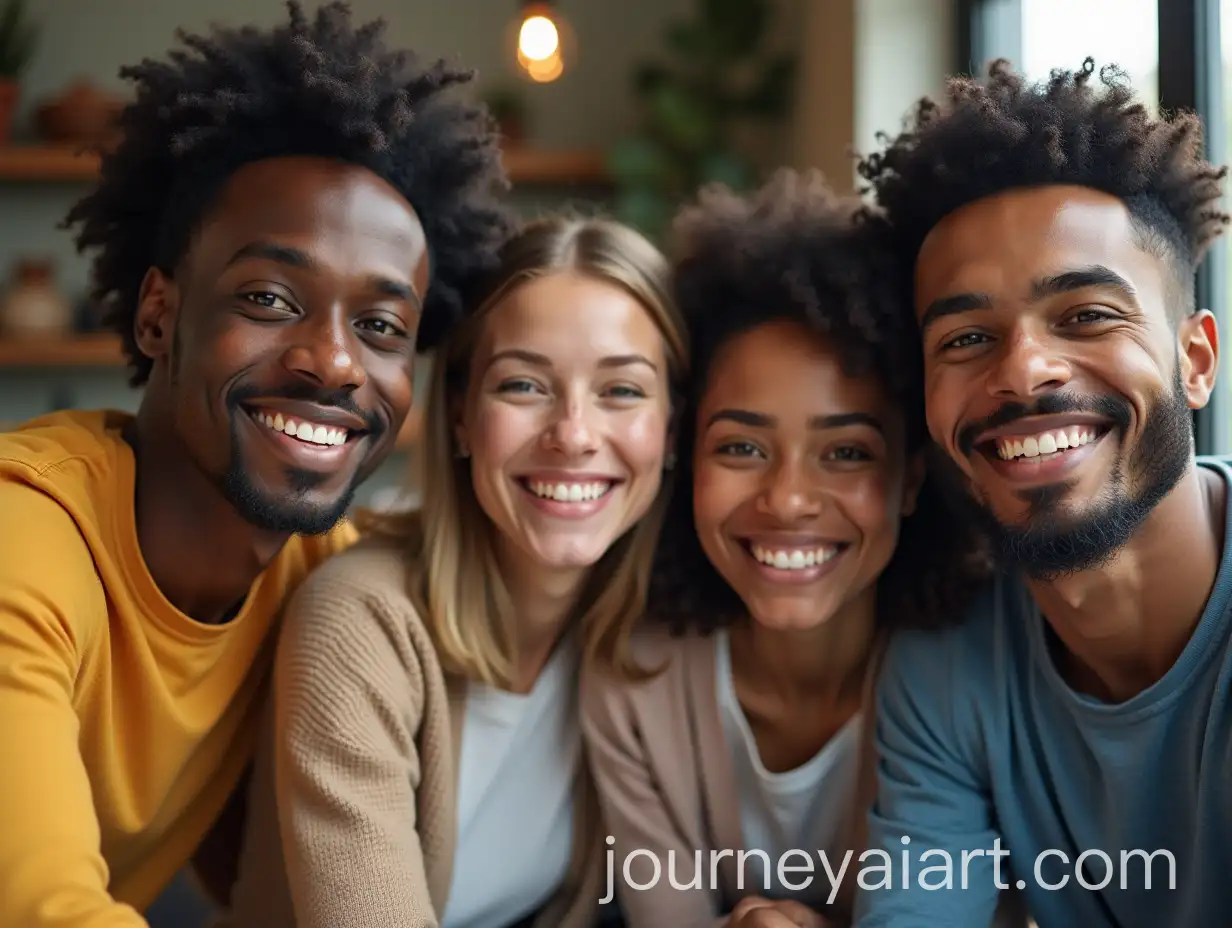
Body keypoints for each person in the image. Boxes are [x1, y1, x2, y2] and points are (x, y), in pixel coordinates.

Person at [0, 2, 511, 925]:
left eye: (381, 325)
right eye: (271, 298)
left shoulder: (320, 576)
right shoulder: (24, 540)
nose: (336, 362)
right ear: (158, 316)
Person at [849, 58, 1231, 927]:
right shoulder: (945, 671)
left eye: (1087, 315)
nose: (1023, 372)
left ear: (1196, 360)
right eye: (966, 338)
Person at [225, 214, 689, 928]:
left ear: (672, 429)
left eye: (622, 391)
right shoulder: (358, 624)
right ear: (461, 417)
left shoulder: (651, 636)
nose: (573, 434)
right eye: (524, 385)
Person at [579, 170, 994, 928]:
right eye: (741, 447)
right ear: (685, 457)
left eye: (846, 453)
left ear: (911, 477)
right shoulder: (633, 678)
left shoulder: (977, 683)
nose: (788, 499)